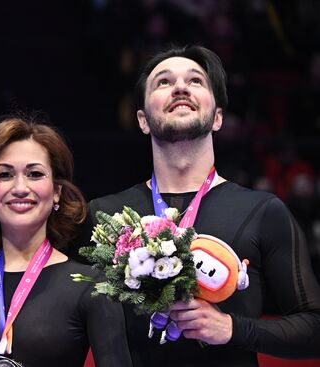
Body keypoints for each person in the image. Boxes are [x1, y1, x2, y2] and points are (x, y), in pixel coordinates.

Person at [72, 45, 320, 367]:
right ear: (143, 120)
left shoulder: (263, 211)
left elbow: (315, 327)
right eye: (163, 82)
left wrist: (232, 328)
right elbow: (68, 331)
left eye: (196, 81)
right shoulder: (104, 217)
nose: (179, 87)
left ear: (217, 118)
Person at [0, 116, 132, 367]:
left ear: (56, 192)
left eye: (35, 174)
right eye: (5, 174)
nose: (20, 187)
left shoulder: (91, 285)